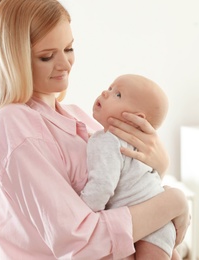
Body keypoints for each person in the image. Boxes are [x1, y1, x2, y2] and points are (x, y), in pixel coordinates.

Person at [0, 0, 189, 259]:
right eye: (46, 56)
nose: (65, 64)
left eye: (69, 48)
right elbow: (78, 241)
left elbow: (127, 188)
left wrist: (160, 166)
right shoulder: (13, 124)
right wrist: (173, 201)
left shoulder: (79, 117)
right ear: (14, 58)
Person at [81, 74, 181, 260]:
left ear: (136, 119)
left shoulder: (106, 140)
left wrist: (84, 209)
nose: (105, 92)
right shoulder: (137, 145)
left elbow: (102, 185)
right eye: (110, 88)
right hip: (158, 220)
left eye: (117, 95)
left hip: (147, 223)